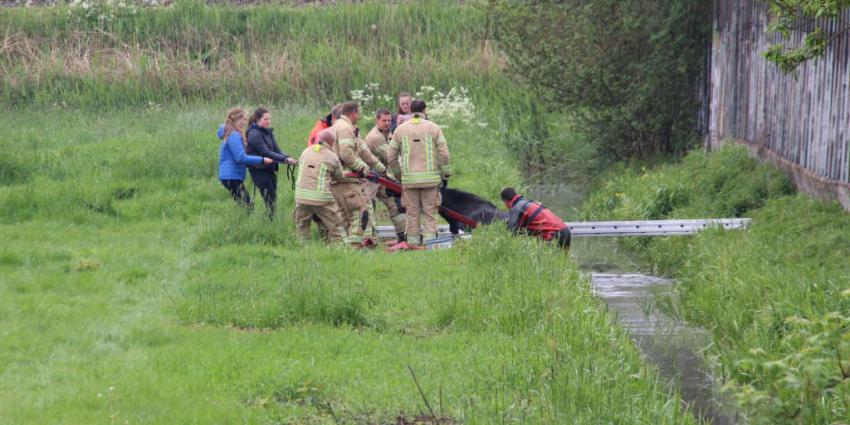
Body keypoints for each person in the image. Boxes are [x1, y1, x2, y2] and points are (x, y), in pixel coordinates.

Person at [387, 99, 451, 246]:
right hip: (431, 181)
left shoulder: (400, 129)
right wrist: (445, 174)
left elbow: (391, 156)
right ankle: (430, 244)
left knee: (412, 213)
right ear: (425, 110)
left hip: (409, 181)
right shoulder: (434, 128)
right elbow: (445, 154)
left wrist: (398, 175)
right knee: (429, 213)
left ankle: (413, 244)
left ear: (411, 110)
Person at [329, 102, 389, 244]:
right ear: (353, 113)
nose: (359, 116)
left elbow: (365, 153)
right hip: (347, 180)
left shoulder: (343, 127)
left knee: (345, 216)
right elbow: (346, 154)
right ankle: (358, 245)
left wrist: (384, 171)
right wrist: (363, 168)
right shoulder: (345, 128)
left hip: (338, 179)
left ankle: (346, 246)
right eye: (359, 113)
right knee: (361, 212)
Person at [293, 129, 347, 243]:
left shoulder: (305, 151)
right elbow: (339, 177)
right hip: (321, 198)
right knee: (336, 225)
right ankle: (340, 249)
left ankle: (304, 249)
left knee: (302, 227)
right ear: (331, 142)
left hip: (301, 196)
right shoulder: (332, 156)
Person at [245, 107, 297, 218]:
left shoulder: (268, 132)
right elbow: (266, 152)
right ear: (257, 120)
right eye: (265, 119)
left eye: (269, 119)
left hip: (270, 169)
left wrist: (287, 157)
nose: (268, 121)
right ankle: (268, 222)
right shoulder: (254, 134)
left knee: (273, 199)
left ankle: (269, 220)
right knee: (270, 200)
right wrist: (285, 160)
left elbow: (276, 150)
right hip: (258, 170)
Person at [364, 108, 406, 240]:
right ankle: (369, 239)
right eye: (384, 120)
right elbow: (390, 157)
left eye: (389, 120)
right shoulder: (375, 137)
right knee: (368, 207)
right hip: (369, 179)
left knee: (393, 203)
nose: (387, 123)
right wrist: (400, 178)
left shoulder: (387, 133)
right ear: (377, 120)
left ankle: (403, 235)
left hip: (380, 177)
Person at [217, 108, 273, 208]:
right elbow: (240, 158)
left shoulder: (231, 133)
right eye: (244, 120)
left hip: (230, 176)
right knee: (248, 206)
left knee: (244, 205)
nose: (245, 122)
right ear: (237, 120)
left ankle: (240, 220)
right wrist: (262, 160)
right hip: (231, 177)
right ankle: (241, 221)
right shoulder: (234, 135)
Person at [500, 187, 571, 249]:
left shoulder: (517, 208)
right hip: (566, 231)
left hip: (554, 235)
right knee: (561, 261)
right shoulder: (528, 203)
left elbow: (511, 233)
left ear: (505, 201)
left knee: (546, 261)